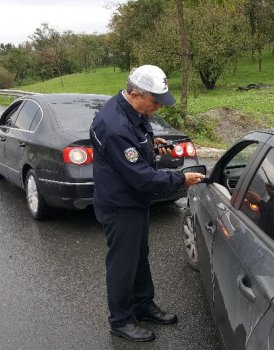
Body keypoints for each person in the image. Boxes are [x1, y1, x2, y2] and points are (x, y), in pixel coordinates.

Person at [89, 65, 204, 342]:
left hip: (134, 203)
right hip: (120, 206)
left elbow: (136, 142)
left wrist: (151, 144)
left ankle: (143, 305)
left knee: (139, 257)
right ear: (135, 93)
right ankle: (121, 320)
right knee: (123, 264)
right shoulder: (114, 126)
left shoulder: (134, 111)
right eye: (154, 101)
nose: (158, 108)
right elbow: (141, 178)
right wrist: (180, 179)